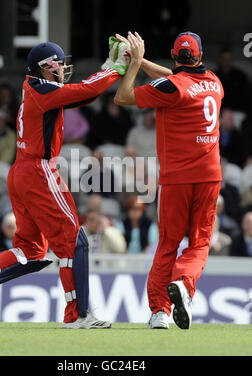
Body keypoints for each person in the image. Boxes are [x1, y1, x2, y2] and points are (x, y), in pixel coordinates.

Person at [0, 39, 130, 328]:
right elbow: (87, 92)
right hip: (40, 169)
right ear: (45, 67)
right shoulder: (41, 88)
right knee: (74, 240)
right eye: (59, 63)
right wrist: (116, 69)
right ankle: (77, 314)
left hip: (21, 170)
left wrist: (106, 68)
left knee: (31, 250)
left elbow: (80, 93)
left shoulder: (34, 87)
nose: (63, 68)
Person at [114, 31, 223, 330]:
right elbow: (178, 79)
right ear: (200, 56)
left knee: (167, 245)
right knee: (199, 243)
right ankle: (185, 285)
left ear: (174, 56)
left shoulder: (172, 87)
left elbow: (123, 96)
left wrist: (135, 64)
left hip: (176, 179)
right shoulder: (214, 82)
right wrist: (141, 59)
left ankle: (159, 312)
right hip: (210, 177)